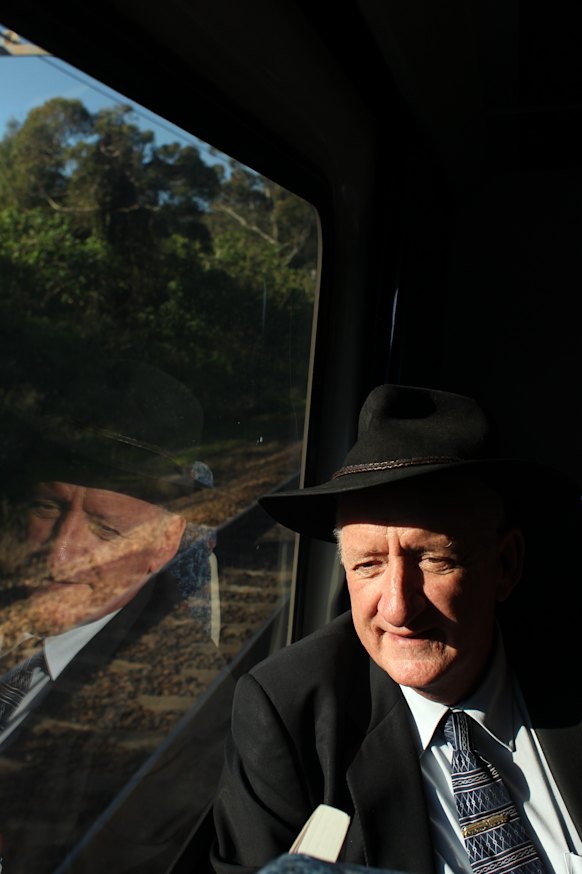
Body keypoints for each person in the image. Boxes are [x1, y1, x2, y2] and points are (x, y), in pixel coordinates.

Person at [210, 383, 582, 874]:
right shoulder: (287, 715)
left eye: (432, 560)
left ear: (505, 566)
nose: (398, 608)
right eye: (367, 565)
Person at [0, 359, 222, 872]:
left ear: (166, 544)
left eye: (105, 529)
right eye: (47, 509)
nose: (59, 555)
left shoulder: (181, 718)